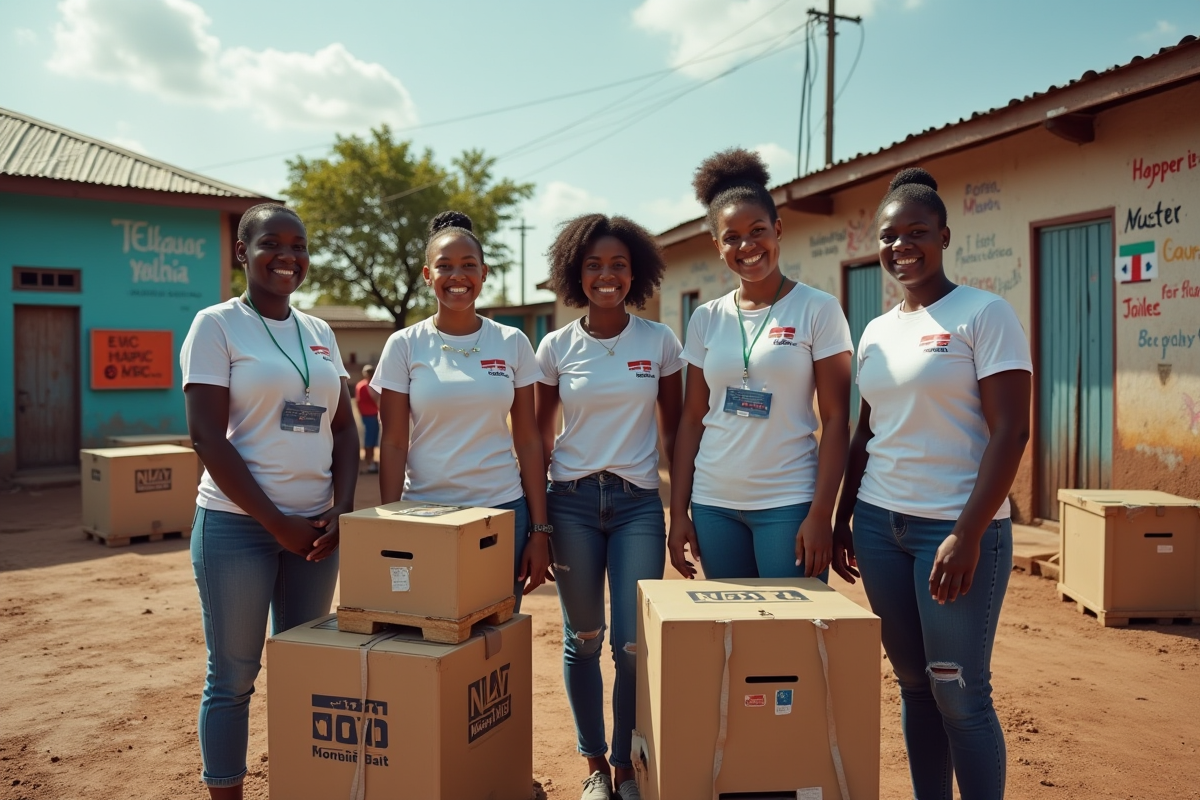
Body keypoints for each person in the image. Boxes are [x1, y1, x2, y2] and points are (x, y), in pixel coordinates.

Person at [832, 168, 1031, 800]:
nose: (901, 246)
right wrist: (843, 518)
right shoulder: (876, 329)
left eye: (916, 232)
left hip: (953, 531)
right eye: (889, 236)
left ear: (943, 236)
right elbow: (868, 434)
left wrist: (968, 533)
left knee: (959, 692)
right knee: (915, 686)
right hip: (879, 526)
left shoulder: (983, 314)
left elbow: (1011, 433)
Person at [181, 203, 359, 799]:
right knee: (232, 677)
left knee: (306, 668)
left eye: (299, 245)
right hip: (238, 528)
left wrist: (342, 509)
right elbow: (206, 437)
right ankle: (227, 790)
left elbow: (343, 428)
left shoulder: (319, 332)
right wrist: (275, 523)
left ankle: (301, 784)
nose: (288, 256)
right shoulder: (216, 325)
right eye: (271, 244)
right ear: (242, 252)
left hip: (315, 531)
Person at [534, 214, 683, 800]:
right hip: (570, 502)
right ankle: (594, 765)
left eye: (618, 264)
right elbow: (539, 439)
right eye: (594, 265)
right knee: (586, 637)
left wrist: (682, 511)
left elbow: (674, 436)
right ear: (577, 272)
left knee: (630, 642)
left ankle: (626, 767)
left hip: (637, 505)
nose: (607, 275)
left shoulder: (660, 342)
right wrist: (539, 522)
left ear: (635, 272)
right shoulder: (555, 347)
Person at [668, 148, 852, 582]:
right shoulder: (706, 317)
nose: (747, 246)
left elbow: (837, 418)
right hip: (714, 503)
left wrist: (821, 512)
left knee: (795, 635)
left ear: (778, 230)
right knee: (732, 636)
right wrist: (678, 511)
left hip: (788, 503)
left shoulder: (818, 309)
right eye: (731, 237)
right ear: (717, 246)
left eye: (757, 231)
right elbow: (692, 418)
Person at [372, 210, 552, 610]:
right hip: (425, 512)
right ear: (426, 274)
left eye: (469, 265)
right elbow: (395, 441)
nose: (458, 276)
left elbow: (528, 439)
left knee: (495, 634)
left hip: (502, 512)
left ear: (484, 273)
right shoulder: (404, 345)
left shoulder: (512, 342)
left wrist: (539, 529)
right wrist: (390, 520)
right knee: (426, 629)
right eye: (445, 266)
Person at [356, 364, 380, 473]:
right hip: (368, 416)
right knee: (369, 439)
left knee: (373, 439)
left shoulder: (373, 385)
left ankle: (372, 462)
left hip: (373, 415)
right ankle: (369, 463)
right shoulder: (364, 386)